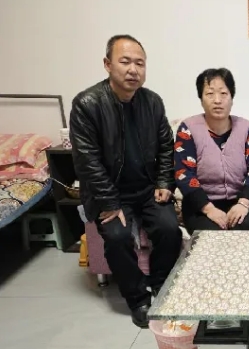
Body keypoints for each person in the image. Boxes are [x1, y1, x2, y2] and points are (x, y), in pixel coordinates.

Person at [70, 34, 182, 329]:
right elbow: (87, 161)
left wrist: (164, 183)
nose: (133, 69)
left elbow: (166, 146)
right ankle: (138, 299)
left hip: (146, 188)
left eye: (140, 63)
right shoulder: (87, 104)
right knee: (118, 237)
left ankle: (160, 285)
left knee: (169, 229)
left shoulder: (152, 102)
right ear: (108, 64)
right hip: (109, 193)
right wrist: (109, 203)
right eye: (125, 61)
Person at [174, 68, 249, 234]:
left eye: (223, 93)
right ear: (201, 99)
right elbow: (183, 173)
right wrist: (209, 209)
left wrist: (244, 203)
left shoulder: (246, 128)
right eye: (210, 94)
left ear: (231, 98)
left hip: (240, 202)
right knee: (212, 237)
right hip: (200, 205)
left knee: (246, 233)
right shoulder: (188, 128)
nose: (217, 100)